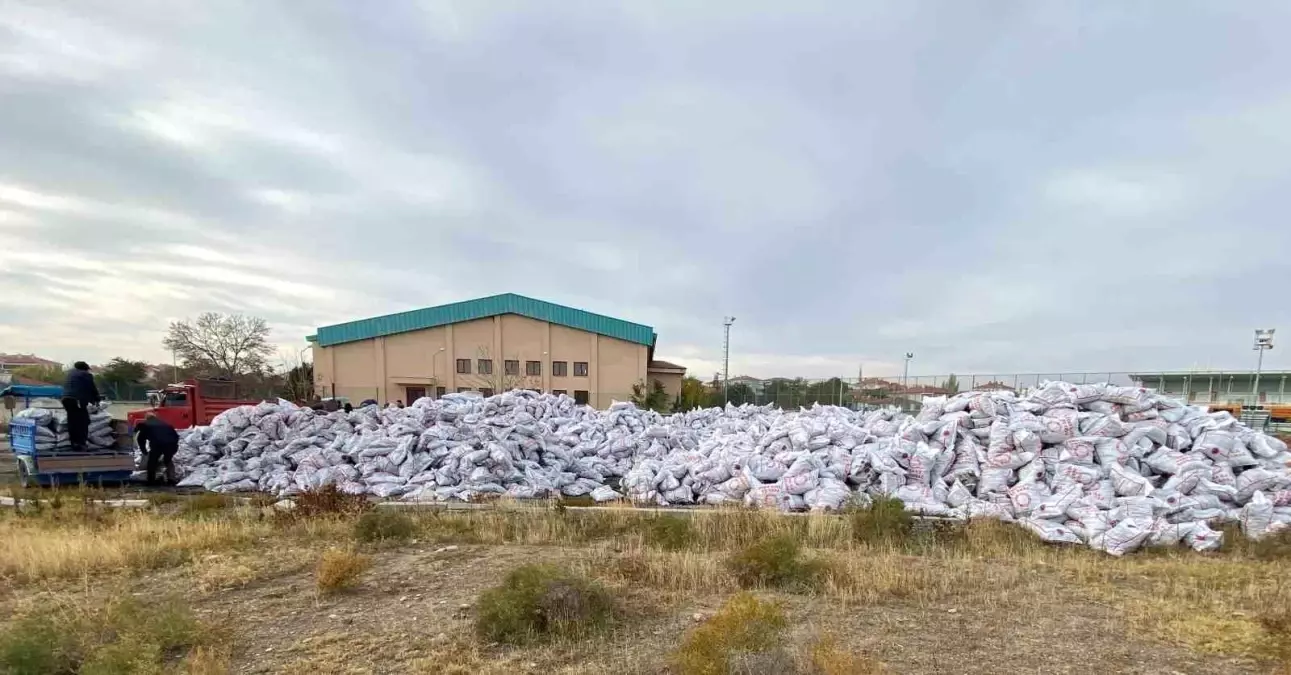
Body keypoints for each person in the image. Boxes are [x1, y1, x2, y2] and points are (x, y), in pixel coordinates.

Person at [61, 361, 100, 451]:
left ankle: (74, 443)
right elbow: (91, 388)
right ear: (85, 369)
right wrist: (96, 400)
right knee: (83, 421)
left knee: (72, 421)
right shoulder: (86, 375)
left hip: (65, 399)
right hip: (76, 400)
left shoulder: (70, 374)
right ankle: (81, 444)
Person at [135, 412, 180, 485]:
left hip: (157, 445)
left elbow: (140, 439)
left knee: (152, 462)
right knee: (168, 460)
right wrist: (173, 446)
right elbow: (176, 436)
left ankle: (151, 481)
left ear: (146, 418)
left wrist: (144, 451)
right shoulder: (165, 424)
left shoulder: (146, 425)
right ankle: (171, 479)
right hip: (171, 445)